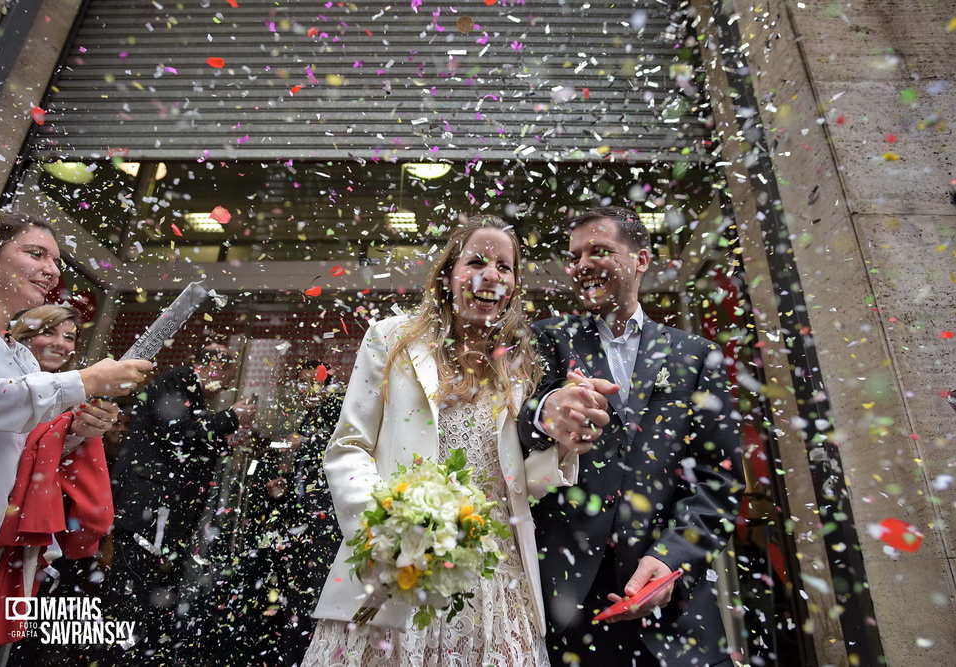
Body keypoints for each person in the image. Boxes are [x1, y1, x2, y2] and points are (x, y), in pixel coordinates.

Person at [303, 216, 581, 667]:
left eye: (505, 267)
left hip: (497, 577)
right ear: (449, 274)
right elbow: (348, 446)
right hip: (400, 564)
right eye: (476, 261)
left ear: (513, 286)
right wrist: (388, 531)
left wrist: (564, 450)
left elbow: (514, 484)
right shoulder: (391, 338)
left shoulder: (519, 364)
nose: (491, 275)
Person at [517, 206, 745, 666]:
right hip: (567, 604)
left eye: (599, 251)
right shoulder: (543, 341)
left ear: (641, 260)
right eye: (575, 255)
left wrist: (673, 557)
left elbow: (720, 480)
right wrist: (545, 413)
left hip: (675, 614)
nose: (582, 265)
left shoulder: (696, 355)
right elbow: (513, 435)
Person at [0, 211, 151, 649]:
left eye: (55, 260)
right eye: (34, 253)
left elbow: (25, 440)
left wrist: (74, 432)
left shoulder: (16, 355)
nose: (51, 270)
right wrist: (86, 382)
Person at [105, 343, 255, 663]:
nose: (225, 388)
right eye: (227, 379)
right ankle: (120, 656)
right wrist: (231, 416)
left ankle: (142, 654)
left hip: (167, 513)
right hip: (153, 509)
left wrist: (224, 441)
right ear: (216, 367)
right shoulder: (179, 379)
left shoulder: (192, 393)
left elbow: (189, 448)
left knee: (154, 592)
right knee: (135, 594)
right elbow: (178, 434)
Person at [204, 360, 344, 666]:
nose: (308, 389)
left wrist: (306, 443)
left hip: (325, 529)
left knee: (308, 602)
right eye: (302, 383)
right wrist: (282, 484)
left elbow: (343, 452)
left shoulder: (338, 413)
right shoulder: (303, 419)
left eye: (315, 382)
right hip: (294, 524)